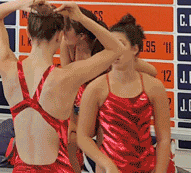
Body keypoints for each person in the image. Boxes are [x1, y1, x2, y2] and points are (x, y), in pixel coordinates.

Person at [0, 0, 126, 172]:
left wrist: (21, 3)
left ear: (28, 33)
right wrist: (81, 17)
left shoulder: (8, 68)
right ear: (59, 36)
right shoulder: (66, 77)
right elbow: (117, 49)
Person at [60, 10, 158, 173]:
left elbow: (152, 71)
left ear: (82, 35)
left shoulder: (103, 51)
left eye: (67, 29)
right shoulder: (68, 46)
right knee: (69, 139)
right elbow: (67, 85)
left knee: (103, 144)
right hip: (80, 102)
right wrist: (71, 119)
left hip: (103, 103)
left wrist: (127, 69)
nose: (62, 34)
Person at [76, 14, 173, 173]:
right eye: (110, 45)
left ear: (134, 49)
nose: (114, 51)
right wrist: (106, 163)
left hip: (145, 168)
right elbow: (83, 137)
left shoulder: (154, 87)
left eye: (119, 45)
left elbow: (163, 139)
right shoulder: (96, 88)